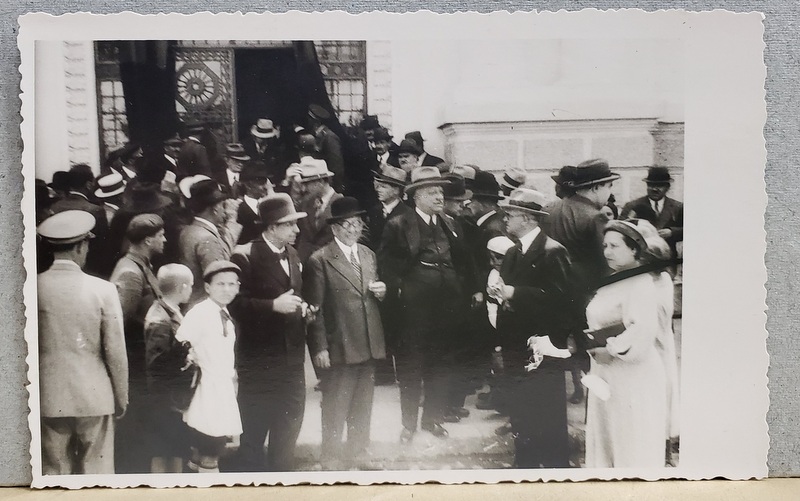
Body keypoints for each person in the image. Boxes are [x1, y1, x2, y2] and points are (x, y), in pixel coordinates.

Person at [378, 167, 473, 442]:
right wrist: (401, 293)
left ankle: (433, 419)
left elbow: (463, 261)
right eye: (432, 192)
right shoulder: (398, 225)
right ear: (416, 196)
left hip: (446, 307)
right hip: (413, 310)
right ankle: (409, 425)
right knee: (411, 366)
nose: (439, 197)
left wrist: (463, 291)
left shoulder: (450, 224)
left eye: (441, 192)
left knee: (441, 364)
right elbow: (387, 266)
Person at [37, 210, 128, 474]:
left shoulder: (34, 287)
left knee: (54, 473)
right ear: (80, 246)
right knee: (98, 473)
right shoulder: (103, 290)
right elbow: (115, 352)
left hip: (48, 395)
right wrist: (120, 397)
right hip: (95, 395)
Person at [303, 197, 387, 469]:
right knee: (336, 404)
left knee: (363, 403)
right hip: (339, 343)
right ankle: (331, 456)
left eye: (357, 224)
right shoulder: (320, 260)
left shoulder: (367, 254)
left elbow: (370, 294)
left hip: (367, 340)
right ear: (335, 228)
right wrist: (320, 348)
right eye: (346, 225)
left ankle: (359, 452)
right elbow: (315, 309)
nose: (353, 230)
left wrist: (381, 292)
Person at [492, 188, 573, 468]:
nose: (506, 220)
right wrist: (500, 294)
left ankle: (554, 467)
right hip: (517, 343)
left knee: (546, 407)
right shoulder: (514, 252)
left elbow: (561, 299)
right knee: (521, 405)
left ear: (527, 218)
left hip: (543, 344)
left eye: (511, 215)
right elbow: (509, 293)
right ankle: (525, 461)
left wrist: (515, 292)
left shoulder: (553, 251)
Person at [229, 193, 309, 472]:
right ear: (272, 227)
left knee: (288, 430)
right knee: (254, 430)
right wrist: (272, 306)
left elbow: (295, 293)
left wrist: (304, 308)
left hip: (292, 359)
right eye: (290, 224)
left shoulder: (293, 253)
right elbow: (233, 304)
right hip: (259, 359)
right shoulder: (245, 255)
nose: (296, 230)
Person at [583, 219, 669, 468]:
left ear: (633, 250)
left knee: (629, 437)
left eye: (615, 246)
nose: (607, 252)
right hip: (606, 370)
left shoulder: (639, 281)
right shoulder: (616, 279)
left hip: (631, 372)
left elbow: (642, 328)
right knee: (610, 434)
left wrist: (611, 350)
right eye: (605, 245)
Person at [540, 158, 620, 404]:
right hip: (585, 289)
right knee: (588, 341)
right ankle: (592, 393)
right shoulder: (595, 216)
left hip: (552, 286)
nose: (610, 192)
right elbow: (606, 257)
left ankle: (566, 390)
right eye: (608, 186)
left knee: (558, 341)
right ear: (595, 187)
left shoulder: (550, 209)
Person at [108, 213, 167, 473]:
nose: (165, 239)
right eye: (160, 236)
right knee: (134, 434)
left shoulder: (141, 265)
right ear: (147, 240)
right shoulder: (131, 273)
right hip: (135, 364)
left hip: (143, 363)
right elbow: (117, 325)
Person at [177, 260, 243, 473]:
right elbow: (181, 345)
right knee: (209, 450)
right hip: (205, 392)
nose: (226, 289)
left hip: (221, 390)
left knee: (206, 450)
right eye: (220, 284)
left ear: (238, 287)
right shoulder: (200, 313)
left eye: (231, 284)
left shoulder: (223, 315)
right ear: (207, 287)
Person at [143, 263, 194, 473]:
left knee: (174, 450)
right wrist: (186, 359)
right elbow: (159, 363)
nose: (192, 289)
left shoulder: (165, 311)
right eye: (190, 285)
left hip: (168, 398)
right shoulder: (161, 321)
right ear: (183, 288)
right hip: (166, 400)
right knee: (164, 451)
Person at [178, 179, 242, 305]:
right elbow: (220, 273)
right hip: (205, 305)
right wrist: (232, 219)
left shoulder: (188, 230)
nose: (225, 210)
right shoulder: (207, 238)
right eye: (223, 205)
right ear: (215, 208)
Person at [50, 164, 110, 277]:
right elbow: (103, 246)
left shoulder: (54, 207)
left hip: (57, 268)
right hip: (89, 270)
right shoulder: (95, 210)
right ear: (88, 184)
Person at [620, 166, 684, 260]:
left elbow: (689, 231)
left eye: (659, 185)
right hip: (640, 260)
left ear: (667, 187)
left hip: (668, 261)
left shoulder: (678, 207)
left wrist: (671, 232)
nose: (654, 189)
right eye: (650, 185)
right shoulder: (632, 206)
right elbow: (619, 230)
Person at [295, 158, 344, 263]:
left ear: (321, 181)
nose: (304, 188)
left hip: (329, 264)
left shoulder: (341, 203)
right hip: (304, 263)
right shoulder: (306, 201)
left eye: (307, 183)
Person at [308, 104, 344, 191]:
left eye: (309, 118)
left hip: (329, 187)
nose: (307, 120)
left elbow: (336, 166)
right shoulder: (319, 136)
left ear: (315, 121)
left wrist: (333, 187)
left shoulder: (329, 137)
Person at [236, 160, 274, 245]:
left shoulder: (271, 206)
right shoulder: (239, 212)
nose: (266, 187)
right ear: (248, 185)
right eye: (261, 183)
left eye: (266, 182)